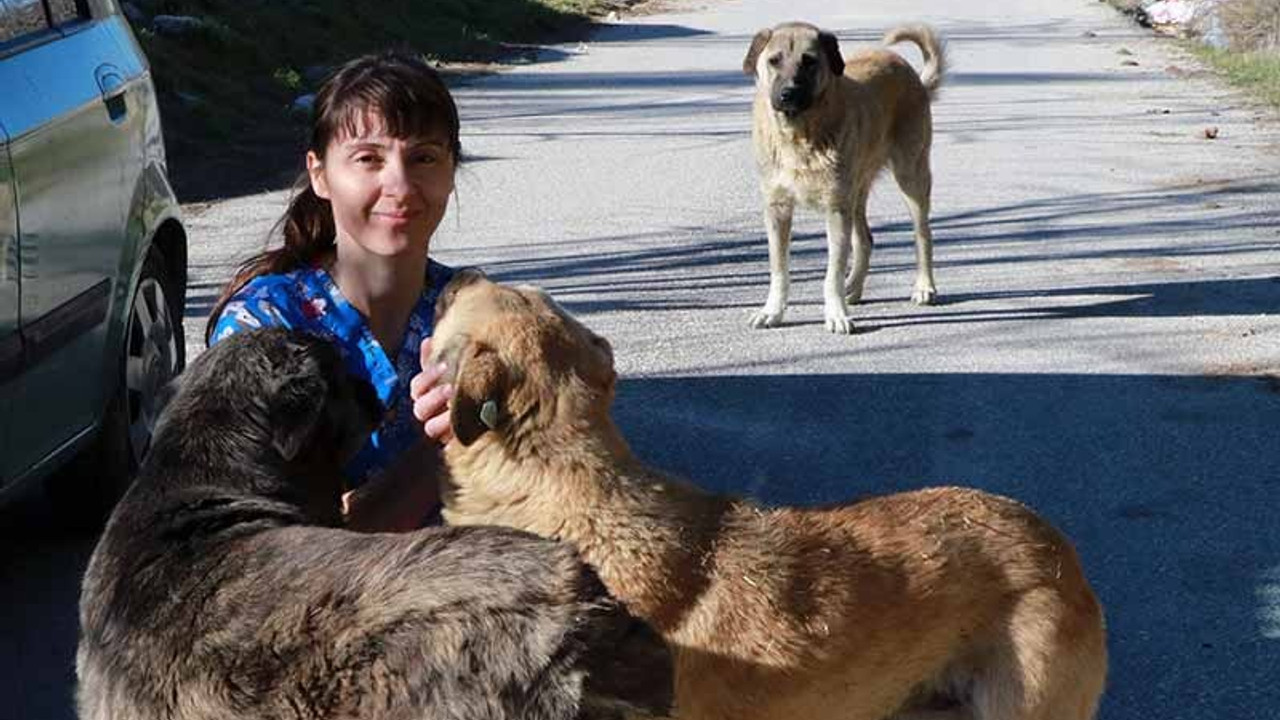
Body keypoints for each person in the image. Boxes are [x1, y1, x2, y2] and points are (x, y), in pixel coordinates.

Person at [206, 51, 463, 531]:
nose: (400, 185)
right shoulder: (263, 330)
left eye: (424, 157)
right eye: (368, 159)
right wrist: (450, 451)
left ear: (452, 171)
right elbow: (259, 548)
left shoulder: (474, 309)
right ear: (320, 174)